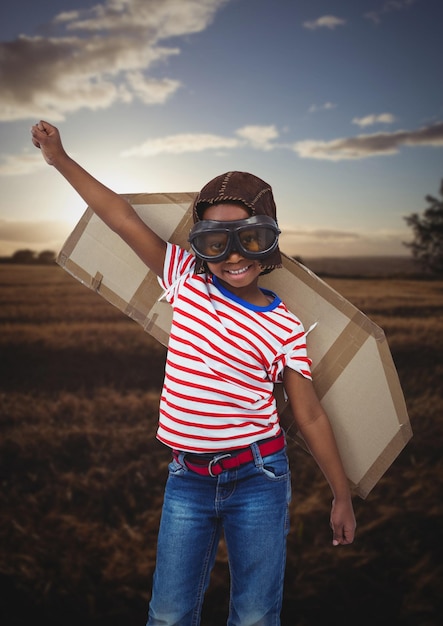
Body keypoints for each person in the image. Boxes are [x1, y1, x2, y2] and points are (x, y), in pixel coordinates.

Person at [31, 120, 356, 626]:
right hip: (188, 478)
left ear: (268, 240)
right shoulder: (185, 279)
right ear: (198, 245)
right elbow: (120, 217)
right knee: (168, 614)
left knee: (254, 616)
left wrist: (341, 495)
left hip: (260, 476)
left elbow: (308, 415)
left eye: (248, 238)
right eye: (215, 241)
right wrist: (60, 159)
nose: (232, 256)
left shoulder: (288, 326)